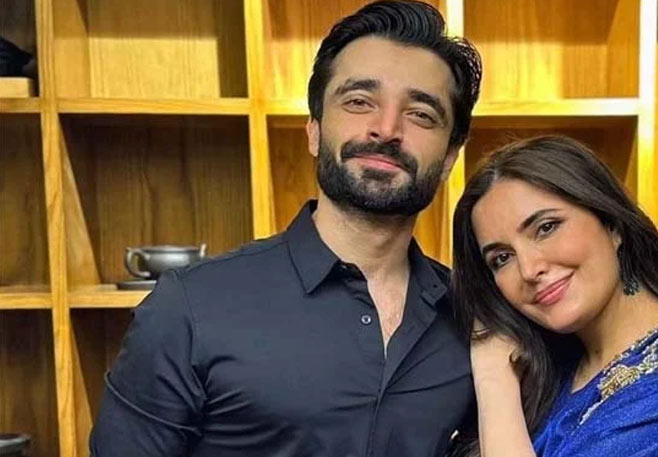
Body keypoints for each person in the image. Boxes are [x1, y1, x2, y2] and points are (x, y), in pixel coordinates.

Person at [89, 1, 482, 456]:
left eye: (420, 114)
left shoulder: (474, 318)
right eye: (359, 102)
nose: (386, 128)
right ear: (314, 128)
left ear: (450, 156)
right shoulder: (190, 307)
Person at [450, 135, 658, 456]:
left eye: (546, 228)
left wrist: (493, 379)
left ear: (612, 224)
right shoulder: (554, 364)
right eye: (501, 258)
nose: (529, 270)